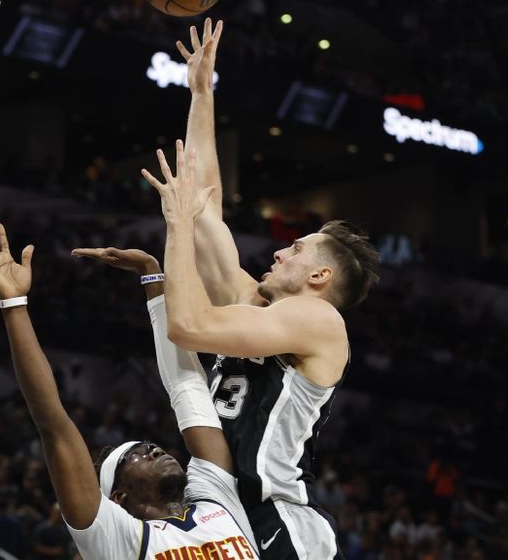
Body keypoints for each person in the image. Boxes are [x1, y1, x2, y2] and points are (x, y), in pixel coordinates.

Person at [140, 127, 379, 559]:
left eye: (296, 248)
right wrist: (201, 91)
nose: (279, 253)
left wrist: (176, 225)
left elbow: (188, 325)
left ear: (319, 277)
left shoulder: (319, 319)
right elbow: (206, 206)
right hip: (227, 513)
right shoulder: (258, 309)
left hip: (280, 517)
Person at [0, 221, 259, 559]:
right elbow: (53, 422)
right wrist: (14, 304)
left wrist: (152, 275)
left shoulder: (216, 497)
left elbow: (187, 387)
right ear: (118, 496)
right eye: (134, 455)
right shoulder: (117, 538)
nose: (153, 450)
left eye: (149, 446)